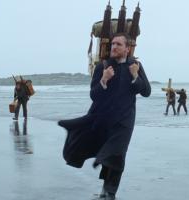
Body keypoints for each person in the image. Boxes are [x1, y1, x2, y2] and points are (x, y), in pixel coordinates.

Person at [57, 33, 150, 200]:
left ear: (127, 48)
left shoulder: (135, 65)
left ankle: (109, 192)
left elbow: (146, 92)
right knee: (108, 155)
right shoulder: (103, 66)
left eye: (118, 44)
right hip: (103, 119)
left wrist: (136, 76)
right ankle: (105, 190)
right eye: (113, 44)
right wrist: (104, 80)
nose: (114, 47)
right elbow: (94, 95)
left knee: (118, 154)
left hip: (125, 120)